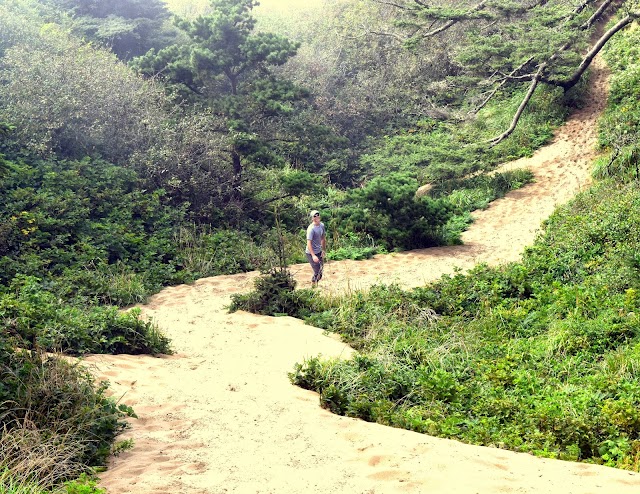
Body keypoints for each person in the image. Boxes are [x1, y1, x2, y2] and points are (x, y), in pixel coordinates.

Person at [305, 209, 326, 285]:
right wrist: (313, 255)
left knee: (320, 271)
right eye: (315, 216)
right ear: (312, 218)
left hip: (319, 251)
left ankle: (315, 283)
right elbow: (308, 242)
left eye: (318, 215)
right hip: (311, 253)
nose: (317, 217)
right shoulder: (311, 229)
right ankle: (313, 285)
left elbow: (323, 238)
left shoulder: (322, 225)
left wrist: (323, 250)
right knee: (317, 271)